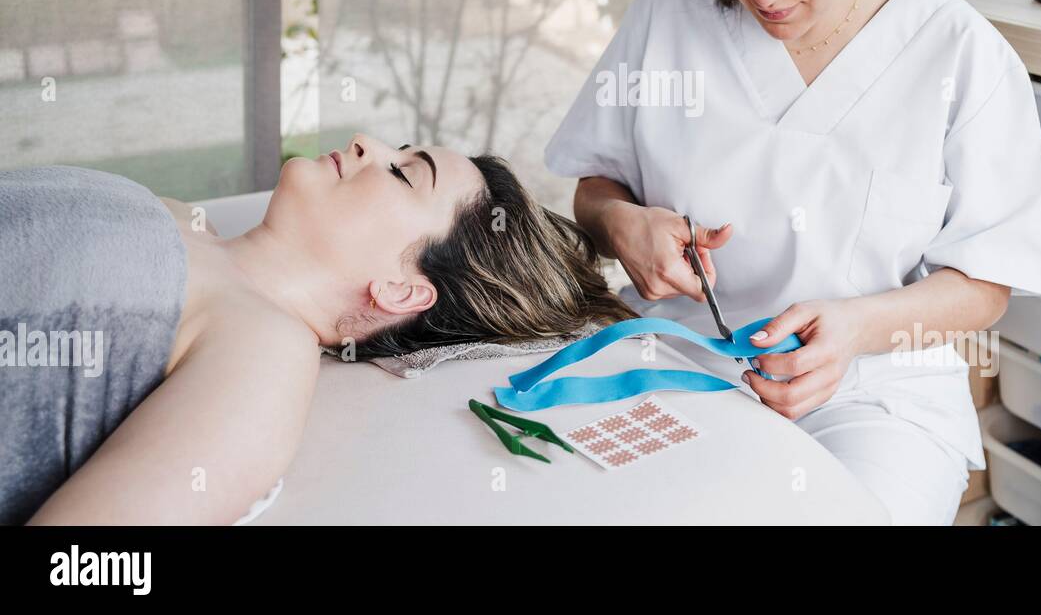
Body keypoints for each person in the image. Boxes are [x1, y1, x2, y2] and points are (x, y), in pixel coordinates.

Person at [545, 0, 1041, 525]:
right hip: (676, 366)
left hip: (876, 391)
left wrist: (854, 329)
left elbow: (984, 285)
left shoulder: (954, 51)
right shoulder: (668, 16)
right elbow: (596, 189)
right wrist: (626, 228)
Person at [2, 137, 633, 524]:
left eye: (402, 172)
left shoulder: (262, 352)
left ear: (402, 289)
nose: (366, 143)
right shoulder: (181, 219)